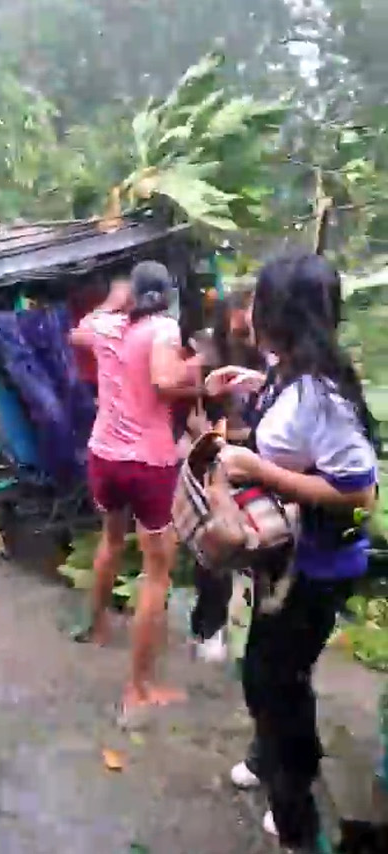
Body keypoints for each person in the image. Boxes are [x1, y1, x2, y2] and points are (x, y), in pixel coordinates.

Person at [206, 252, 376, 850]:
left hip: (318, 567)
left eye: (260, 300)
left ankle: (295, 800)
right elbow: (291, 422)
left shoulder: (322, 396)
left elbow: (359, 495)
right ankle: (271, 753)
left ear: (284, 313)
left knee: (276, 676)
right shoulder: (291, 370)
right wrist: (250, 386)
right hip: (285, 559)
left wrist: (260, 470)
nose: (249, 311)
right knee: (266, 665)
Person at [69, 260, 200, 712]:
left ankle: (96, 626)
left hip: (104, 456)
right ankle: (140, 688)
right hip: (148, 462)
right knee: (156, 573)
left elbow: (78, 332)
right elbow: (164, 382)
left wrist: (113, 301)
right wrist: (201, 365)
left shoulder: (105, 326)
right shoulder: (163, 329)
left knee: (110, 540)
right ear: (167, 294)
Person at [186, 287, 265, 663]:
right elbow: (196, 413)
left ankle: (245, 631)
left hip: (256, 456)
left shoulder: (266, 354)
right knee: (216, 545)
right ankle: (208, 627)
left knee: (258, 544)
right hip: (219, 454)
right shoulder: (208, 351)